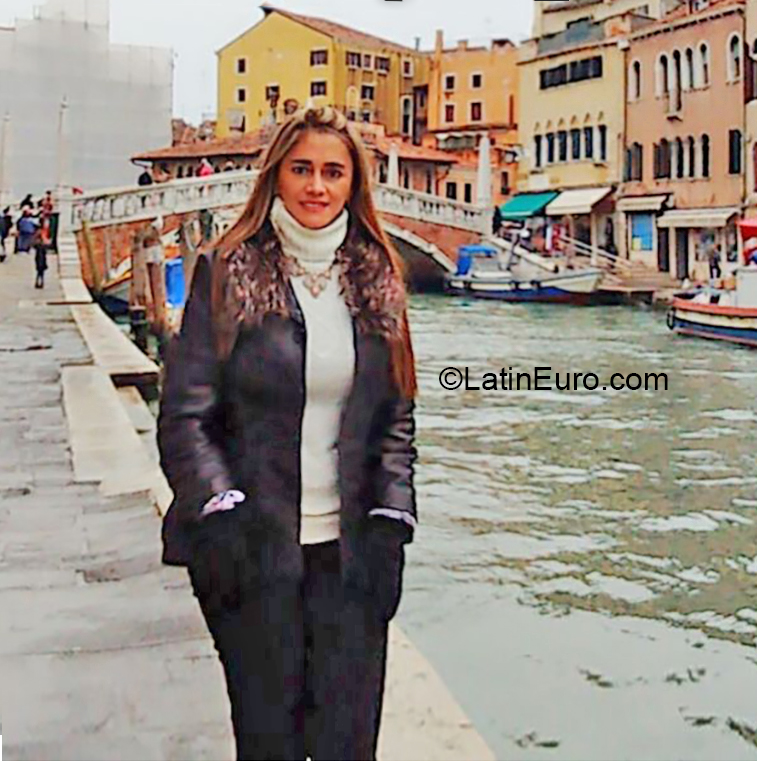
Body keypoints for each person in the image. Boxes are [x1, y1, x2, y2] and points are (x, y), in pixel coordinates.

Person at [158, 106, 417, 761]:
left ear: (353, 183)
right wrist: (220, 511)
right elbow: (185, 415)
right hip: (252, 548)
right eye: (302, 169)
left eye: (333, 172)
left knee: (347, 744)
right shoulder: (227, 270)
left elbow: (394, 418)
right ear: (276, 175)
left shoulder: (378, 276)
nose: (317, 186)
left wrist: (393, 516)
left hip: (352, 553)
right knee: (268, 741)